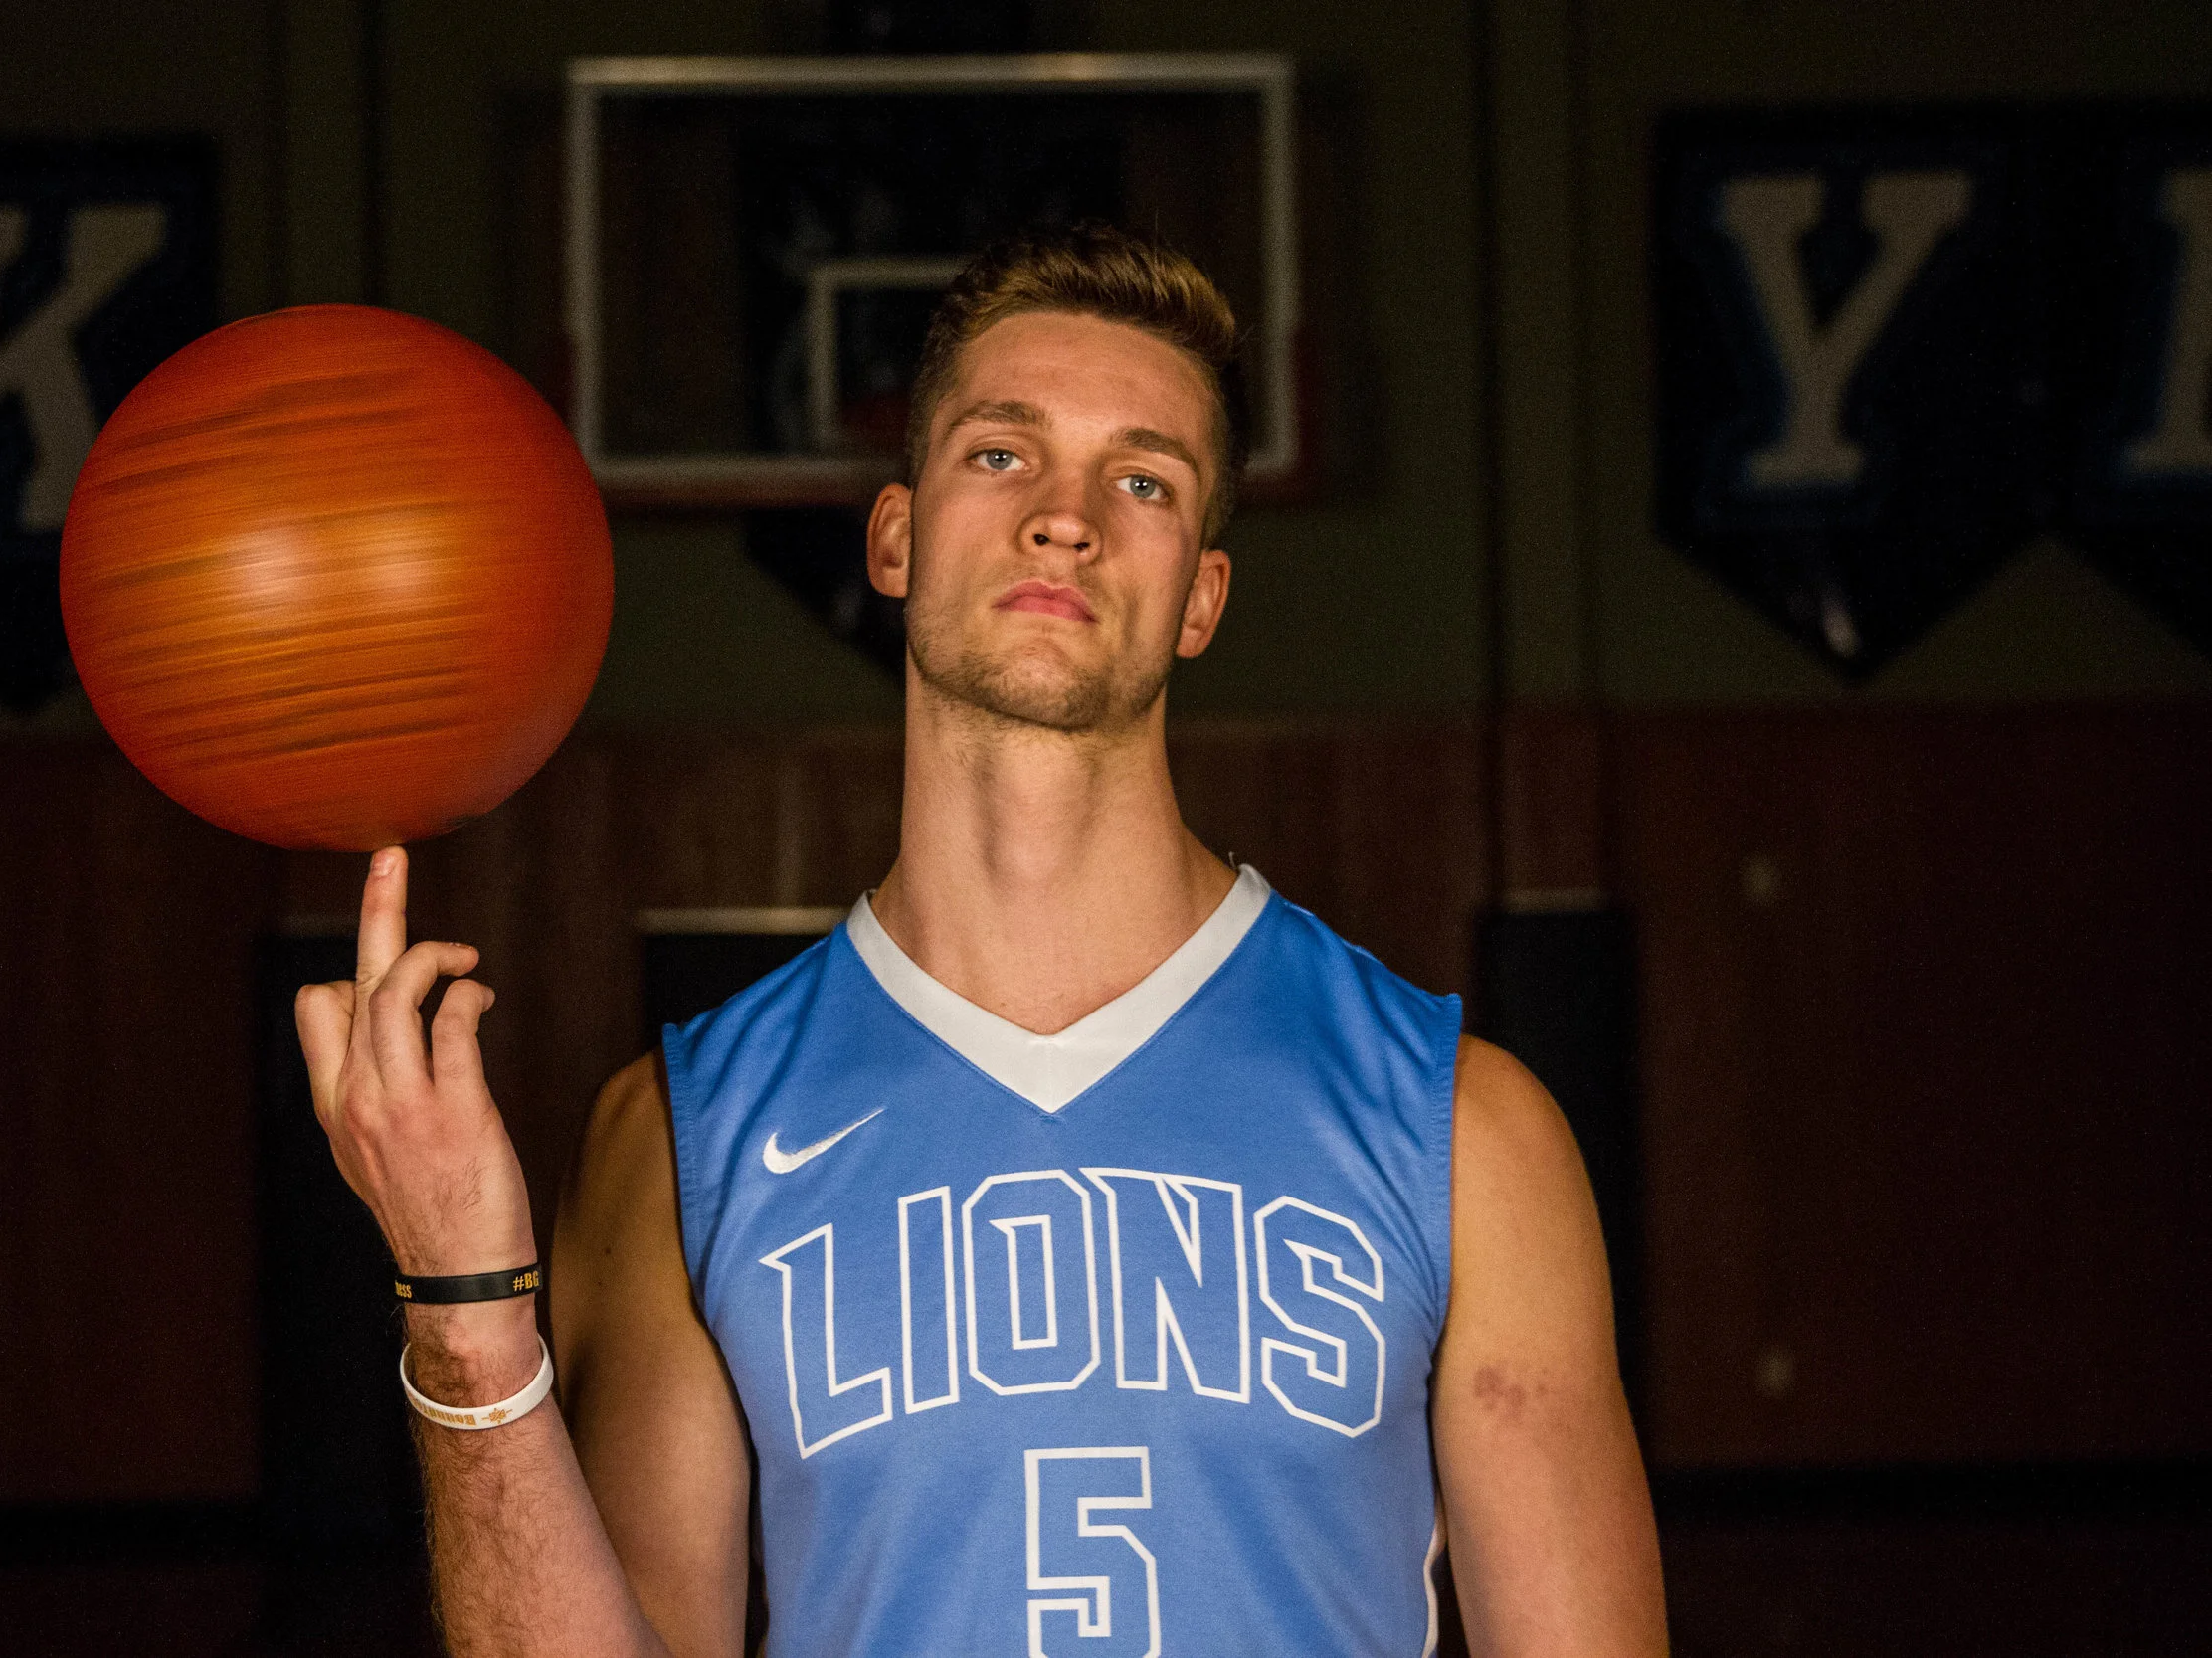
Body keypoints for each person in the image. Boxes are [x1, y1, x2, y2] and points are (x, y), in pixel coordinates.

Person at [296, 223, 1667, 1658]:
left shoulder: (1465, 1133)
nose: (1066, 517)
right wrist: (464, 1311)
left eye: (1142, 480)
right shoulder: (686, 1139)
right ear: (895, 538)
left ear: (1201, 597)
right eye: (1003, 454)